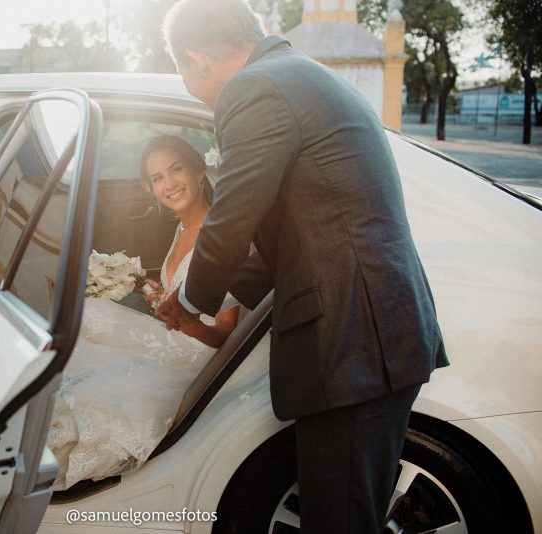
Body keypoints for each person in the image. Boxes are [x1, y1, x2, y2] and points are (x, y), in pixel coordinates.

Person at [156, 1, 449, 532]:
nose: (186, 83)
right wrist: (216, 300)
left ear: (196, 59)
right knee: (350, 513)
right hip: (372, 333)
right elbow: (290, 238)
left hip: (352, 343)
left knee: (338, 521)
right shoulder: (297, 73)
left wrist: (190, 300)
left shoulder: (255, 88)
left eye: (181, 69)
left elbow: (232, 218)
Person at [47, 135, 239, 490]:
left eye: (176, 170)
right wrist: (159, 295)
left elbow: (227, 332)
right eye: (158, 178)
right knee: (88, 318)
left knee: (91, 318)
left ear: (198, 172)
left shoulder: (221, 234)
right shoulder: (182, 229)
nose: (169, 184)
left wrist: (190, 324)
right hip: (173, 336)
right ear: (149, 189)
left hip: (198, 354)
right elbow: (185, 295)